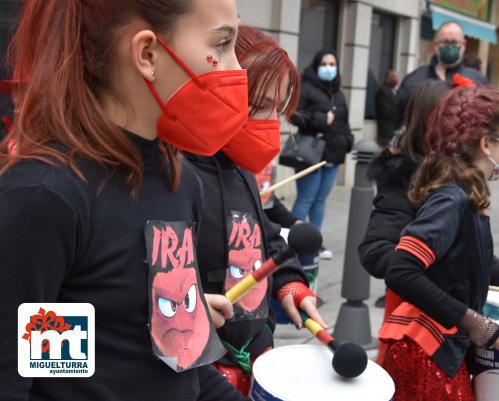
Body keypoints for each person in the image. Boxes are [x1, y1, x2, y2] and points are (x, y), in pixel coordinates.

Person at [0, 1, 253, 400]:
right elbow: (20, 375)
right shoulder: (46, 198)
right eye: (221, 44)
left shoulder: (181, 182)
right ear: (147, 54)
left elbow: (178, 359)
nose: (238, 70)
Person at [186, 25, 325, 396]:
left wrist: (290, 283)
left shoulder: (240, 165)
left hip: (253, 357)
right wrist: (192, 307)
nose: (271, 122)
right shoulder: (177, 176)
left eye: (277, 109)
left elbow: (260, 236)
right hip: (202, 374)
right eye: (258, 106)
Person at [359, 79, 499, 363]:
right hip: (426, 335)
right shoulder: (450, 195)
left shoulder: (463, 189)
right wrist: (465, 312)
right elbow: (394, 263)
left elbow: (462, 246)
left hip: (447, 335)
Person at [290, 49, 354, 260]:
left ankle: (314, 244)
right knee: (306, 198)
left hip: (332, 155)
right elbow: (294, 114)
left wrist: (347, 141)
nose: (329, 68)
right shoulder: (306, 88)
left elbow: (343, 121)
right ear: (317, 66)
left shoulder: (338, 92)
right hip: (311, 154)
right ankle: (292, 245)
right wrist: (319, 118)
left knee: (320, 201)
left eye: (332, 64)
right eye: (325, 64)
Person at [395, 21, 488, 128]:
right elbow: (398, 117)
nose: (450, 47)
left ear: (463, 45)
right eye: (445, 42)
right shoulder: (414, 80)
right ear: (435, 44)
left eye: (454, 42)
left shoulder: (478, 81)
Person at [375, 70, 400, 147]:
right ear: (388, 78)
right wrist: (399, 114)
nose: (397, 80)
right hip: (386, 130)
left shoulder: (394, 91)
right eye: (394, 77)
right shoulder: (383, 91)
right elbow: (386, 111)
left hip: (393, 129)